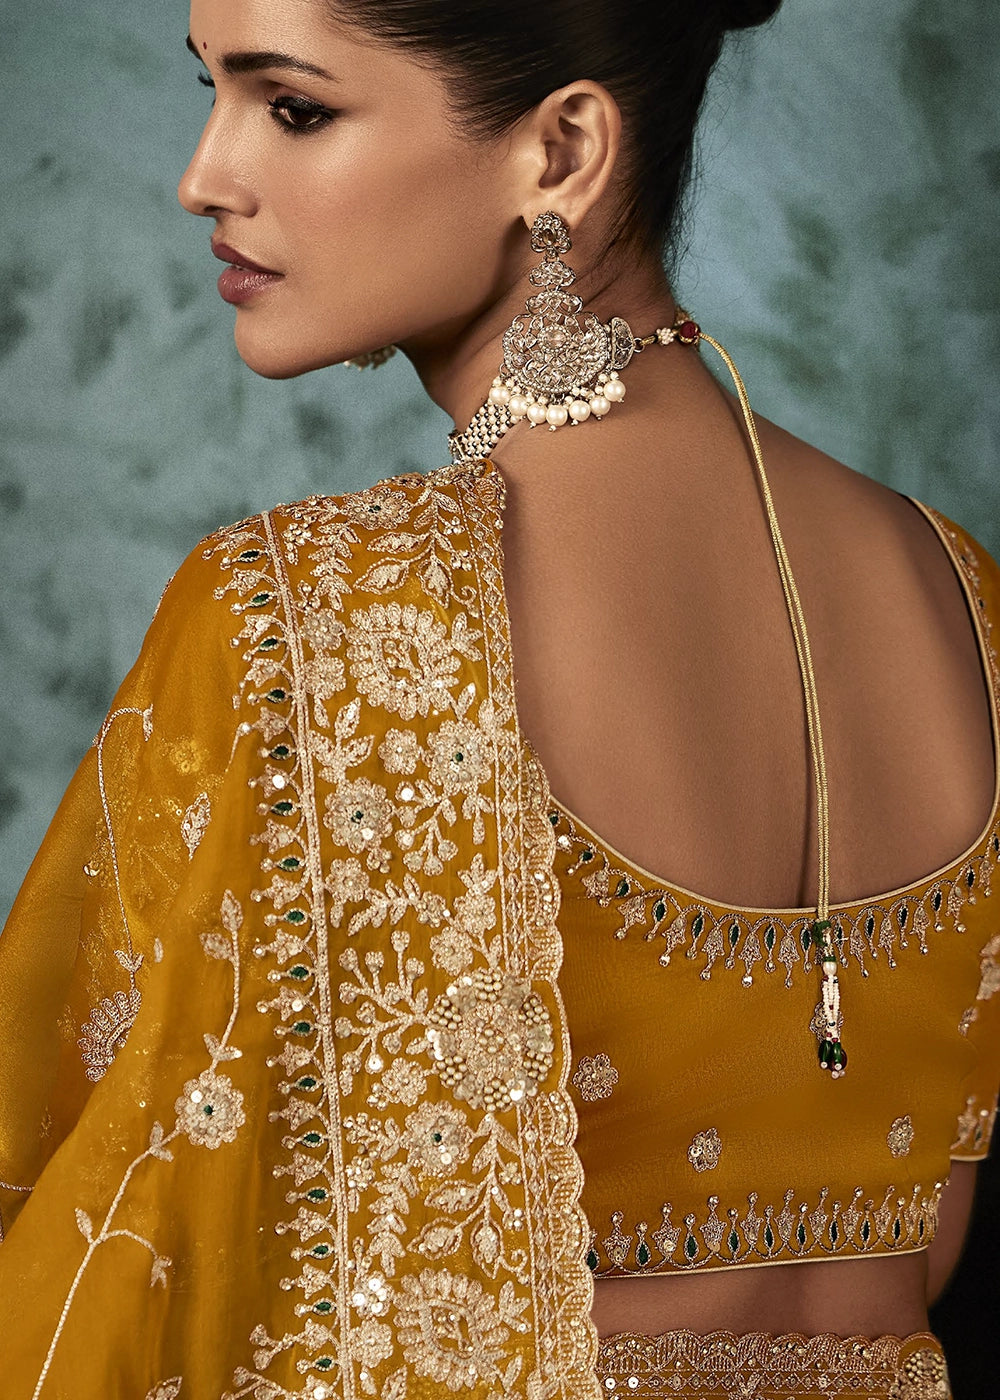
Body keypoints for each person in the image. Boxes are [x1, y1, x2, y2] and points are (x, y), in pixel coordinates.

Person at [0, 1, 995, 1396]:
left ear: (563, 152)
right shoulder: (959, 592)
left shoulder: (311, 617)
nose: (203, 177)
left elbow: (89, 1262)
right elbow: (937, 1235)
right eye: (208, 92)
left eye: (293, 108)